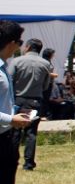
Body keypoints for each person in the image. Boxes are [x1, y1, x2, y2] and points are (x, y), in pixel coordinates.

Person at [0, 20, 34, 184]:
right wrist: (10, 118)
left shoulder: (5, 67)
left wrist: (14, 113)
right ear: (11, 43)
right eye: (19, 42)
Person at [7, 38, 50, 171]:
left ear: (28, 47)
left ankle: (12, 159)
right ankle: (29, 163)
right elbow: (46, 85)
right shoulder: (45, 64)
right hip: (35, 100)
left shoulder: (17, 61)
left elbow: (9, 81)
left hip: (17, 99)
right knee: (31, 133)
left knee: (15, 131)